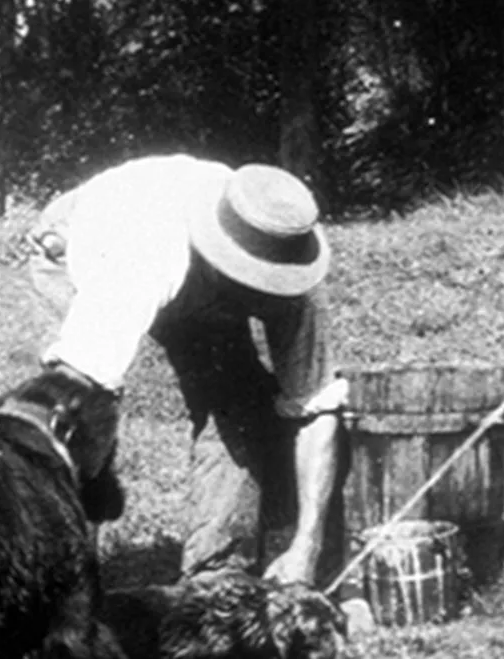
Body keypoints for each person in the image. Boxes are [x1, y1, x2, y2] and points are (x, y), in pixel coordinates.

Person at [27, 154, 347, 586]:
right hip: (77, 244)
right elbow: (78, 393)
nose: (259, 295)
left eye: (265, 284)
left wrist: (307, 547)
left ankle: (216, 575)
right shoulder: (144, 258)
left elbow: (315, 409)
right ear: (218, 259)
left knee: (237, 401)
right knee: (79, 414)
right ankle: (66, 576)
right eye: (248, 279)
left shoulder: (293, 266)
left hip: (194, 275)